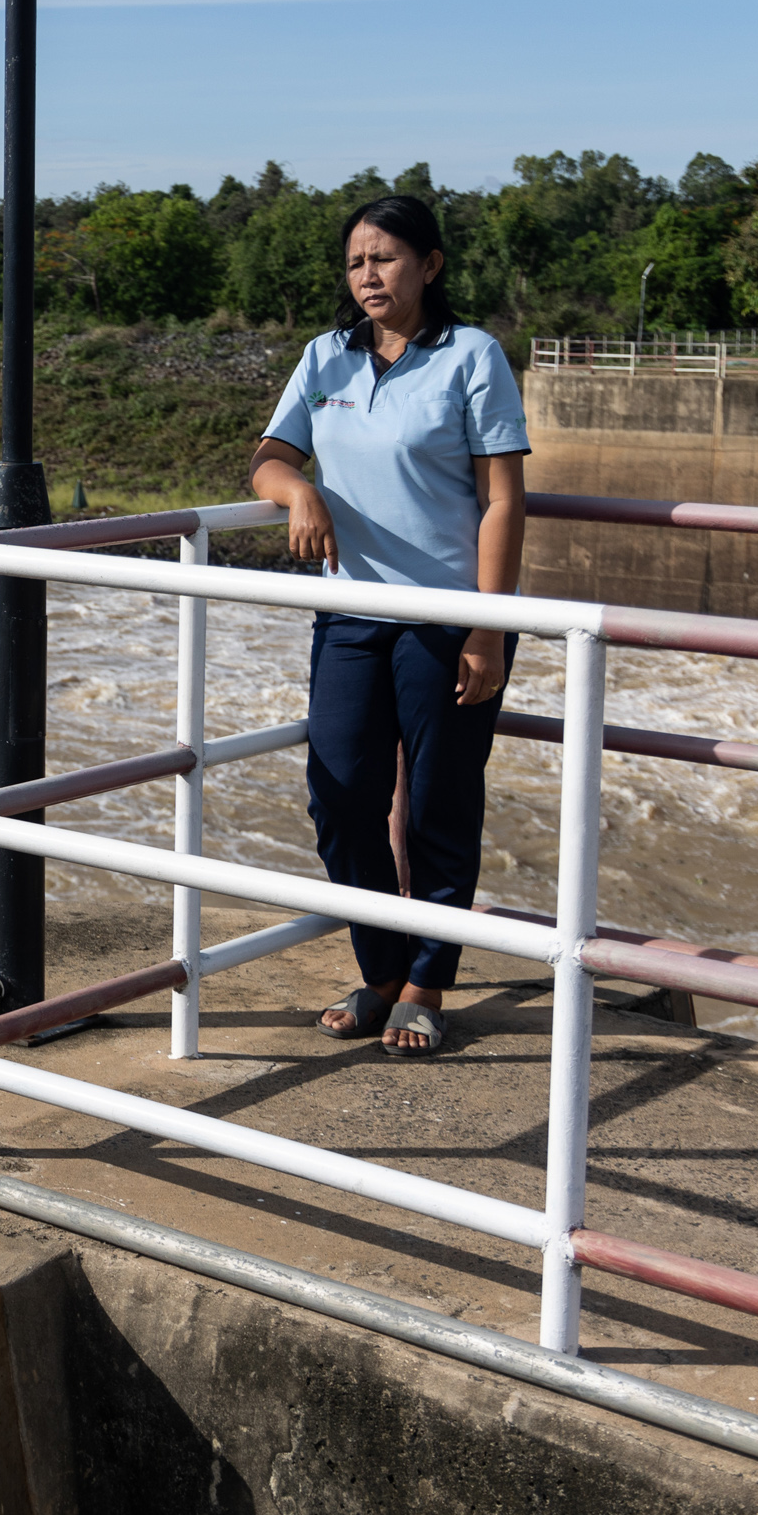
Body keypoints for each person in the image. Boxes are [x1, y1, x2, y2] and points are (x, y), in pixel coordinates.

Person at [247, 195, 529, 1058]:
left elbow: (503, 500)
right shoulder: (325, 356)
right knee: (339, 797)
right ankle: (380, 969)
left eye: (386, 257)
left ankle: (427, 982)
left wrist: (487, 628)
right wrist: (299, 491)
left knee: (440, 802)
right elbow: (269, 459)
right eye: (356, 261)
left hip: (449, 619)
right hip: (351, 616)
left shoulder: (471, 355)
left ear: (430, 265)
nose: (368, 275)